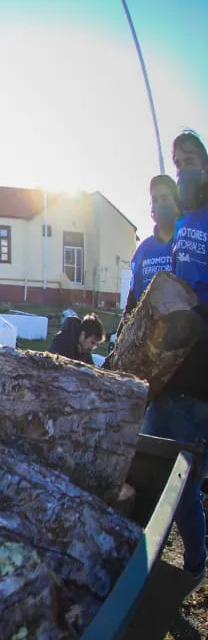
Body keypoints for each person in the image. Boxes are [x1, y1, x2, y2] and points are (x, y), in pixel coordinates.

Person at [145, 130, 208, 585]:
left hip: (200, 370)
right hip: (166, 369)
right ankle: (142, 566)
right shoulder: (183, 225)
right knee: (148, 468)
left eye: (191, 159)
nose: (184, 166)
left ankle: (194, 566)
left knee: (186, 486)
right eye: (177, 159)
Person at [123, 174, 180, 319]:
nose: (159, 204)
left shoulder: (187, 244)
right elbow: (132, 302)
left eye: (165, 199)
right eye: (155, 200)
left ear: (177, 203)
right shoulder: (143, 251)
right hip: (151, 335)